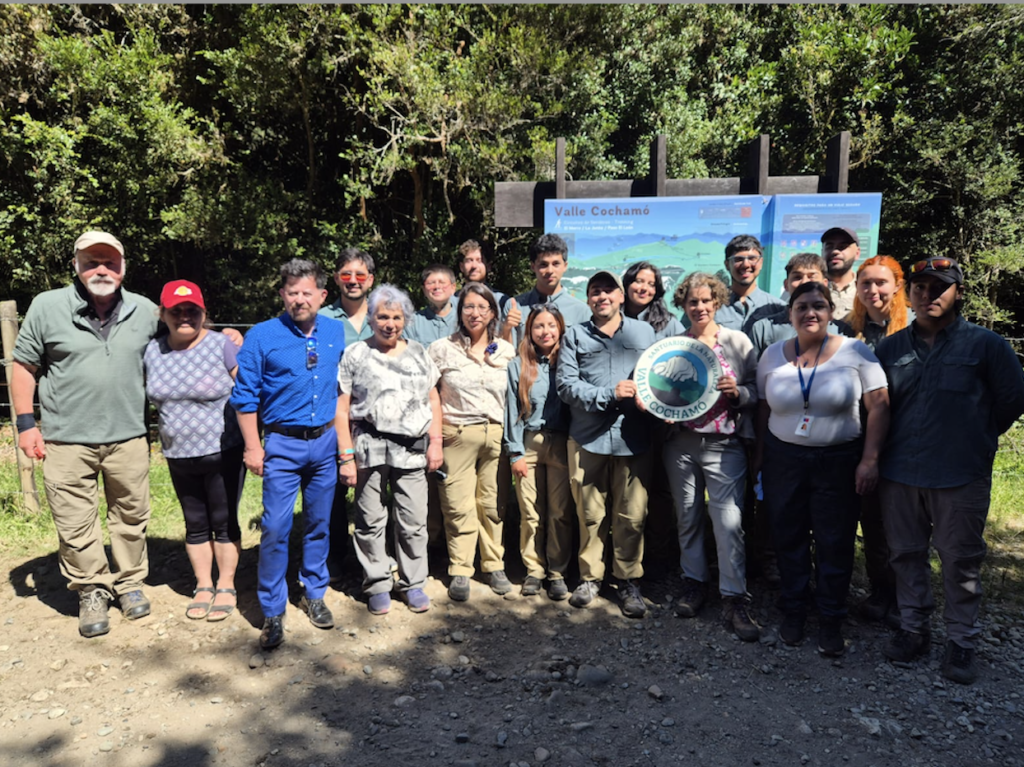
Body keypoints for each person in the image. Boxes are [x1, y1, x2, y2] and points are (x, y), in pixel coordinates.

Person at [876, 257, 1024, 685]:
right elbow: (877, 407)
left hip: (960, 472)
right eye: (920, 287)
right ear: (909, 294)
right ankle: (913, 629)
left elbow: (1012, 399)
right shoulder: (890, 349)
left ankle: (961, 640)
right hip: (900, 470)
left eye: (939, 287)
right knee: (905, 554)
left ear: (958, 292)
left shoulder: (986, 345)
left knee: (960, 560)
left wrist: (974, 437)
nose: (928, 295)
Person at [12, 230, 158, 637]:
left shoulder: (146, 310)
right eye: (92, 262)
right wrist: (26, 424)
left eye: (110, 262)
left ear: (123, 267)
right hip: (65, 437)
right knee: (74, 521)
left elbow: (185, 338)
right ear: (76, 265)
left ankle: (129, 582)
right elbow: (24, 367)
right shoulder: (47, 306)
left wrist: (226, 338)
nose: (101, 270)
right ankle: (92, 588)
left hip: (129, 436)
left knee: (131, 515)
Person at [755, 281, 889, 657]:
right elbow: (763, 408)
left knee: (835, 541)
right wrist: (760, 457)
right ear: (790, 314)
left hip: (838, 461)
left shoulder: (856, 352)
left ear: (831, 312)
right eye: (802, 306)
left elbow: (879, 406)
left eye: (818, 305)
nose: (810, 312)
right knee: (789, 537)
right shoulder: (772, 355)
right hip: (784, 460)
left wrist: (870, 460)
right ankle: (794, 609)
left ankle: (831, 617)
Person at [231, 259, 346, 650]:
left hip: (325, 442)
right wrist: (253, 446)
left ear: (322, 295)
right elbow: (244, 397)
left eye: (307, 292)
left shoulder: (335, 331)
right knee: (276, 528)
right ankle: (273, 608)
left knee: (319, 523)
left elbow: (345, 388)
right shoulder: (262, 336)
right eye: (292, 292)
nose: (300, 299)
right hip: (281, 444)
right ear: (282, 295)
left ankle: (314, 593)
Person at [663, 273, 760, 641]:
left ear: (717, 302)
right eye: (692, 301)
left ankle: (734, 596)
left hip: (725, 444)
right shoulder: (674, 345)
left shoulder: (737, 341)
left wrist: (738, 393)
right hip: (681, 444)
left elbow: (756, 389)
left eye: (706, 300)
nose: (700, 307)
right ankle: (694, 583)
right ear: (683, 305)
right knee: (687, 517)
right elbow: (661, 390)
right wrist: (661, 406)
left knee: (728, 522)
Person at [336, 285, 443, 615]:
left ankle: (413, 583)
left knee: (413, 519)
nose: (390, 324)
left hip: (411, 447)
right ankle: (378, 582)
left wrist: (436, 443)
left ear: (405, 319)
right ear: (371, 318)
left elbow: (433, 400)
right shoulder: (355, 354)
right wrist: (346, 456)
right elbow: (342, 408)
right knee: (370, 519)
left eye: (397, 317)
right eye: (383, 316)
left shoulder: (419, 352)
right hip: (368, 445)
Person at [556, 270, 657, 619]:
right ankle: (590, 578)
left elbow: (661, 374)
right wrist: (608, 394)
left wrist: (654, 399)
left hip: (634, 439)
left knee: (631, 516)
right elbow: (566, 385)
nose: (602, 297)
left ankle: (628, 581)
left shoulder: (645, 333)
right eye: (595, 291)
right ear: (588, 299)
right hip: (588, 438)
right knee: (590, 515)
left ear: (621, 296)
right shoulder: (574, 336)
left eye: (609, 290)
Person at [144, 280, 244, 621]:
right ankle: (203, 584)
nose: (184, 316)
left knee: (224, 521)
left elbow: (248, 391)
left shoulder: (222, 345)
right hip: (177, 455)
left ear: (204, 313)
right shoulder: (151, 351)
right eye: (176, 310)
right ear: (163, 314)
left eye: (192, 310)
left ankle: (226, 584)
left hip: (223, 452)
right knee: (195, 523)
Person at [428, 283, 516, 601]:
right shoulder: (441, 348)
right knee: (457, 505)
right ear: (459, 311)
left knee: (492, 504)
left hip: (495, 435)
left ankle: (494, 565)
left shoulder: (505, 350)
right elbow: (430, 394)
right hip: (457, 434)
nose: (475, 313)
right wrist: (435, 438)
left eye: (482, 307)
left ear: (492, 313)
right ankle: (461, 569)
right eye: (468, 306)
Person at [843, 256, 910, 626]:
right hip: (855, 438)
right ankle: (880, 590)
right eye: (865, 283)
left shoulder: (913, 329)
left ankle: (905, 597)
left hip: (901, 442)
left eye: (881, 282)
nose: (873, 290)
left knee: (899, 524)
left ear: (897, 285)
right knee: (870, 519)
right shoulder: (846, 330)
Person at [504, 305, 572, 600]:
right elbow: (512, 411)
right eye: (538, 326)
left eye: (551, 325)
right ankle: (534, 570)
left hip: (562, 444)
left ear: (560, 328)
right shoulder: (518, 365)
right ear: (529, 331)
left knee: (559, 512)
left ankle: (557, 572)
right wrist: (515, 452)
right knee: (531, 512)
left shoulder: (570, 363)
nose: (545, 331)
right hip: (529, 445)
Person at [319, 248, 375, 580]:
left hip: (375, 420)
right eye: (346, 274)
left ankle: (376, 556)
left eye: (360, 275)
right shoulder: (321, 318)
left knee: (375, 490)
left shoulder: (384, 314)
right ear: (336, 278)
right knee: (333, 492)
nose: (353, 281)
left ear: (371, 280)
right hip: (333, 417)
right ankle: (336, 556)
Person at [746, 253, 850, 358]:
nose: (804, 282)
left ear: (825, 284)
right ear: (786, 285)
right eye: (797, 277)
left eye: (811, 276)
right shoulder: (764, 329)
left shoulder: (841, 330)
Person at [502, 233, 591, 346]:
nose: (550, 270)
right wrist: (506, 329)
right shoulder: (515, 307)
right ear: (533, 266)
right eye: (543, 264)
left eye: (556, 264)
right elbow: (505, 352)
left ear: (565, 266)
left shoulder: (581, 312)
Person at [714, 234, 784, 331]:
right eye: (738, 259)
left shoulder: (778, 308)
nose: (746, 265)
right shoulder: (712, 306)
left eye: (752, 258)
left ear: (761, 263)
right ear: (727, 265)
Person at [622, 261, 685, 340]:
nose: (644, 288)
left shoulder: (668, 323)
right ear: (627, 284)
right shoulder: (613, 319)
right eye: (639, 281)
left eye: (651, 284)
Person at [406, 264, 458, 346]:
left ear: (453, 287)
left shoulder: (465, 320)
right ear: (424, 289)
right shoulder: (412, 323)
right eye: (431, 283)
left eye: (442, 282)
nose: (437, 286)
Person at [821, 227, 861, 318]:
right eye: (829, 246)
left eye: (842, 247)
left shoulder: (865, 290)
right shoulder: (810, 288)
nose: (835, 251)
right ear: (822, 252)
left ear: (857, 253)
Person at [457, 240, 509, 309]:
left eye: (479, 261)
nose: (474, 266)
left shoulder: (501, 302)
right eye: (469, 260)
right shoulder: (452, 302)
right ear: (461, 267)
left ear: (488, 266)